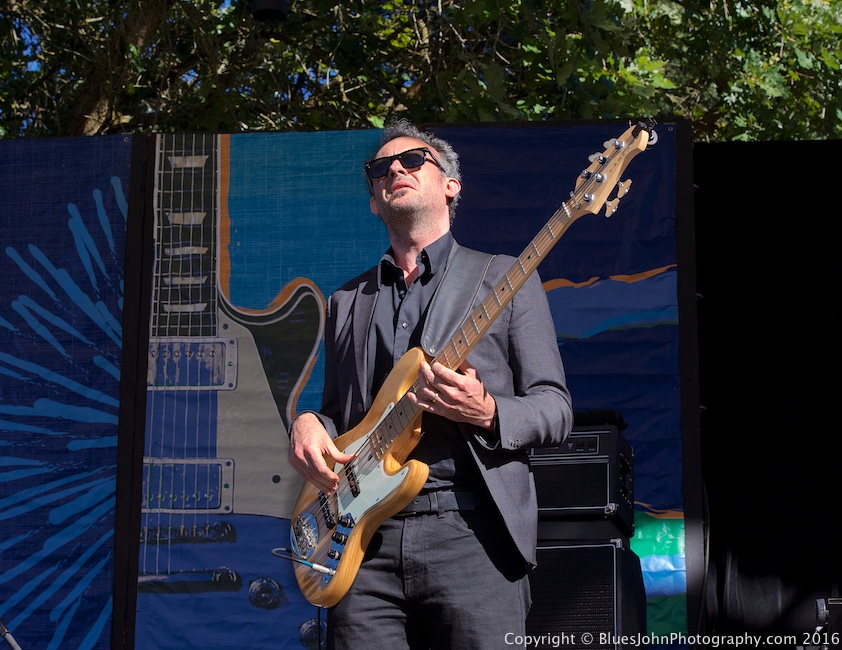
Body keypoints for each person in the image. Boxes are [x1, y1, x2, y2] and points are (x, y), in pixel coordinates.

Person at [288, 118, 574, 649]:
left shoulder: (505, 278)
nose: (394, 169)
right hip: (362, 541)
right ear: (375, 201)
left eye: (413, 160)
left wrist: (488, 411)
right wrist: (307, 423)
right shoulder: (347, 301)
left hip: (469, 533)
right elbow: (340, 415)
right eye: (379, 169)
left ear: (450, 184)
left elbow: (554, 408)